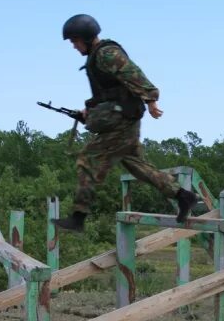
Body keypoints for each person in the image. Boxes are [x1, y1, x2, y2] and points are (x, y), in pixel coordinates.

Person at [52, 14, 198, 232]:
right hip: (124, 118)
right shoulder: (97, 56)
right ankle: (183, 196)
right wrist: (88, 111)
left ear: (85, 37)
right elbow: (109, 93)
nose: (74, 46)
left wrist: (151, 99)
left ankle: (78, 218)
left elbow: (133, 74)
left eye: (74, 41)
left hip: (123, 120)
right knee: (138, 167)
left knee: (88, 160)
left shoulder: (107, 53)